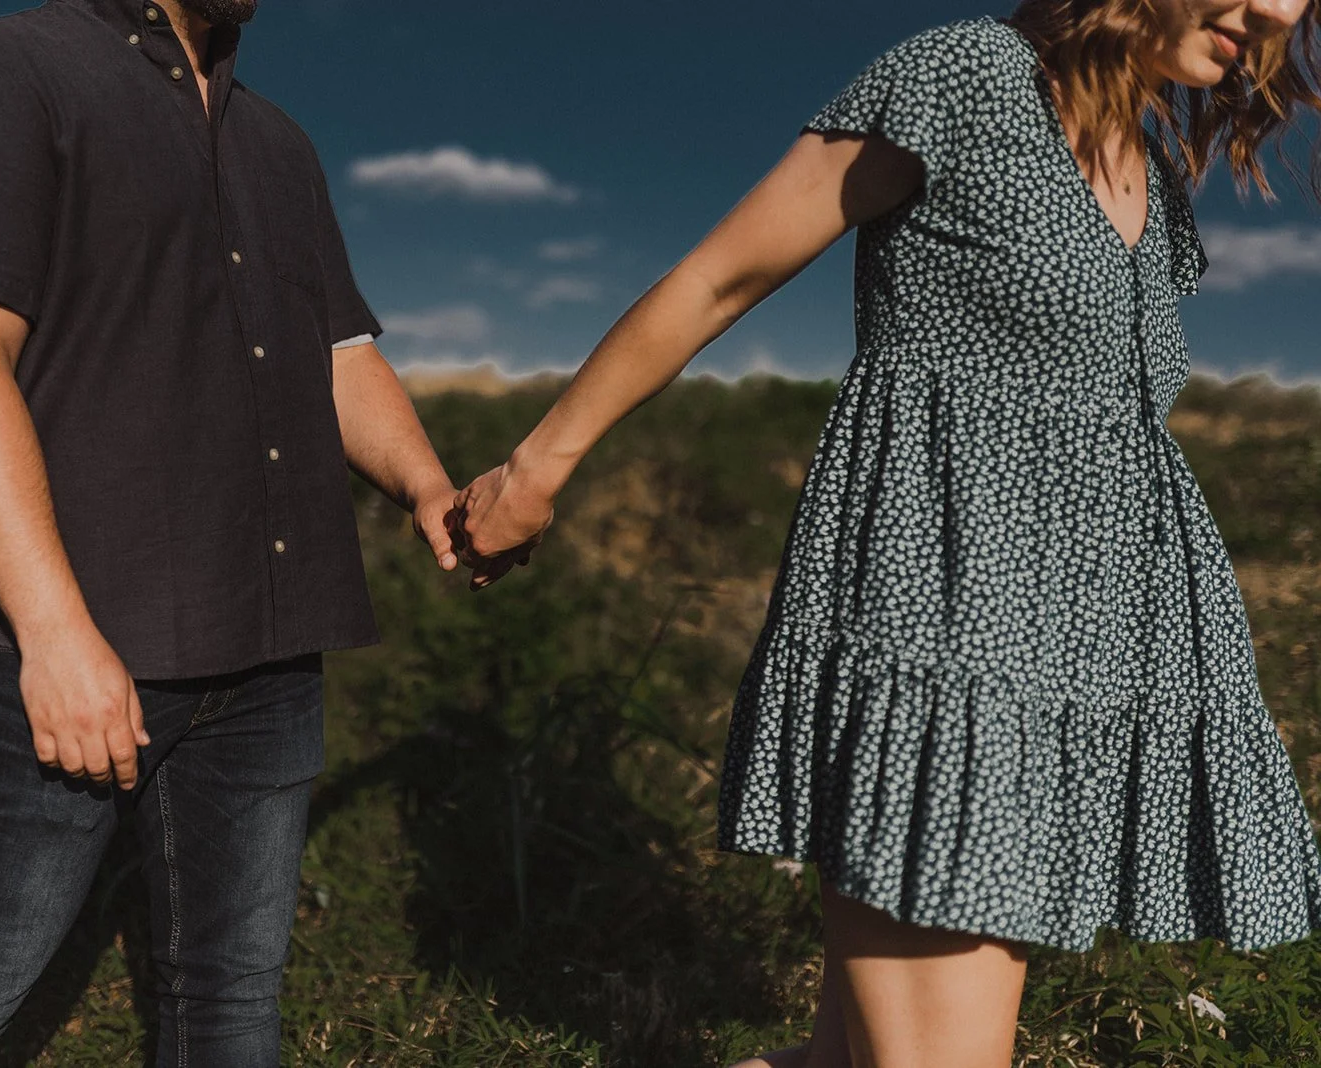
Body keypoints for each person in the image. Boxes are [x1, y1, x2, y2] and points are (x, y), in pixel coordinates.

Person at [452, 1, 1321, 1064]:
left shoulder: (1149, 166)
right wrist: (537, 465)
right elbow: (720, 277)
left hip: (1083, 653)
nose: (1277, 11)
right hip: (948, 616)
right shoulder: (967, 76)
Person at [0, 0, 495, 1064]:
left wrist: (428, 489)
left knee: (230, 1001)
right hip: (70, 640)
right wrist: (54, 635)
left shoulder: (279, 143)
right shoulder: (1, 72)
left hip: (268, 647)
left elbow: (339, 355)